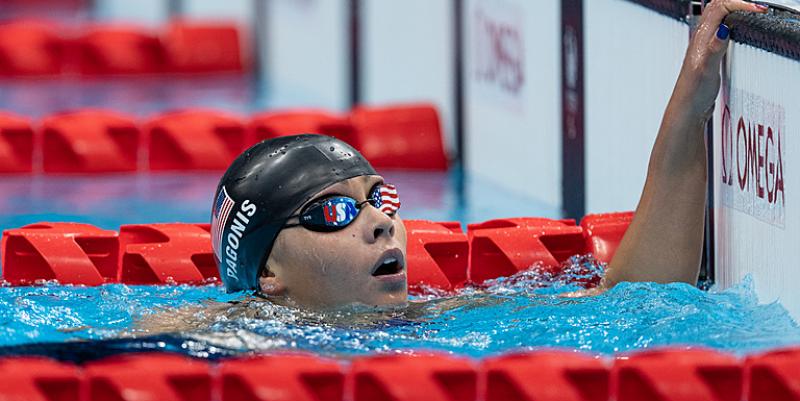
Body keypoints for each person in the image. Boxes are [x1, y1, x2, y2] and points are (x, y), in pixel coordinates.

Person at [141, 0, 769, 331]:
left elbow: (638, 297)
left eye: (380, 199)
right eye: (334, 211)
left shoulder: (437, 321)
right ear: (268, 272)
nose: (382, 224)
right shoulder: (221, 344)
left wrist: (692, 104)